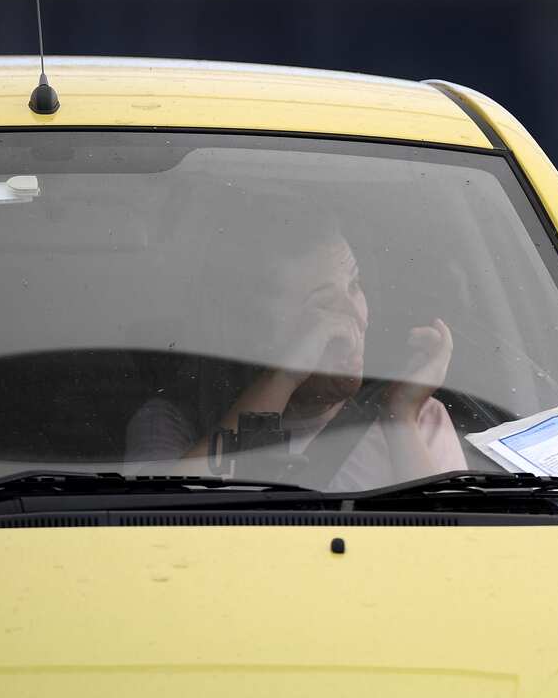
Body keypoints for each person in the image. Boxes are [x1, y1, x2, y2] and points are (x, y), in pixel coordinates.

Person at [125, 198, 466, 491]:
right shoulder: (174, 421)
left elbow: (458, 548)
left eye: (354, 286)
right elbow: (156, 528)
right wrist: (283, 379)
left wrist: (401, 419)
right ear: (250, 332)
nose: (355, 318)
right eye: (322, 305)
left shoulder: (415, 417)